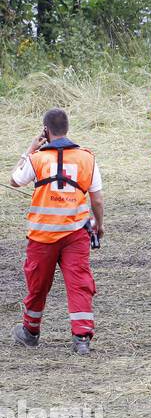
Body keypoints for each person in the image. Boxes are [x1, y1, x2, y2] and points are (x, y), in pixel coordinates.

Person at [11, 108, 104, 356]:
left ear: (46, 130)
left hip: (42, 237)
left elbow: (15, 180)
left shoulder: (37, 158)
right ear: (67, 129)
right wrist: (99, 224)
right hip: (76, 234)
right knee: (79, 283)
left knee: (38, 285)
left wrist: (31, 147)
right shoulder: (87, 158)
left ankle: (30, 332)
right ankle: (82, 338)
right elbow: (97, 199)